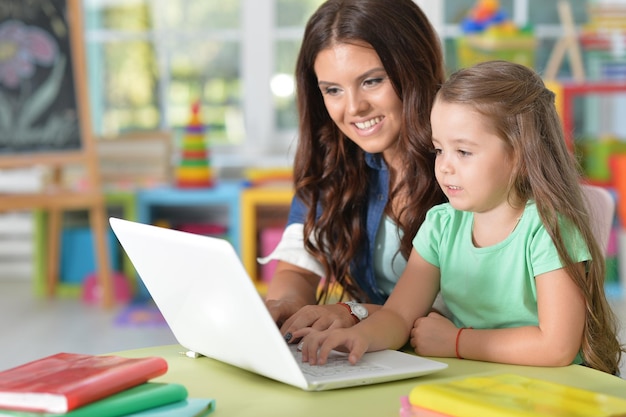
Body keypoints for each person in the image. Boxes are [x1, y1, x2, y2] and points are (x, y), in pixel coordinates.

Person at [296, 60, 624, 375]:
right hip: (477, 382)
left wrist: (456, 341)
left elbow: (556, 347)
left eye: (463, 151)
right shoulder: (441, 225)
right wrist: (361, 337)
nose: (445, 166)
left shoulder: (548, 228)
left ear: (521, 154)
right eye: (439, 149)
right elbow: (398, 314)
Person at [261, 0, 446, 337]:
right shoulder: (334, 162)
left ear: (414, 68)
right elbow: (297, 271)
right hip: (377, 354)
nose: (354, 108)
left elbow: (464, 307)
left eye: (372, 81)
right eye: (333, 90)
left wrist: (356, 313)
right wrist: (286, 306)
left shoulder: (463, 163)